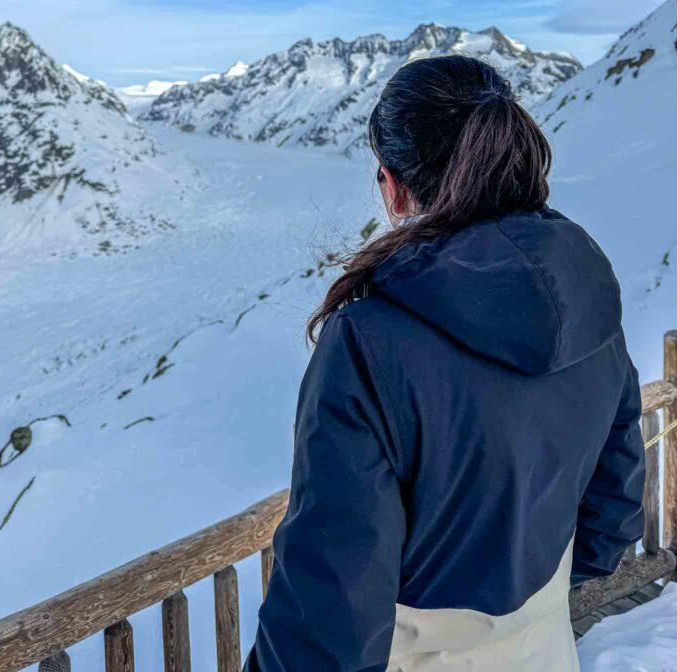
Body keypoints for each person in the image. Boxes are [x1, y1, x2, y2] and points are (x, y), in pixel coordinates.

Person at [242, 55, 645, 672]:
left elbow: (332, 598)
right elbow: (614, 501)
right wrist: (534, 593)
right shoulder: (584, 284)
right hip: (545, 646)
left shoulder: (367, 340)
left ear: (394, 186)